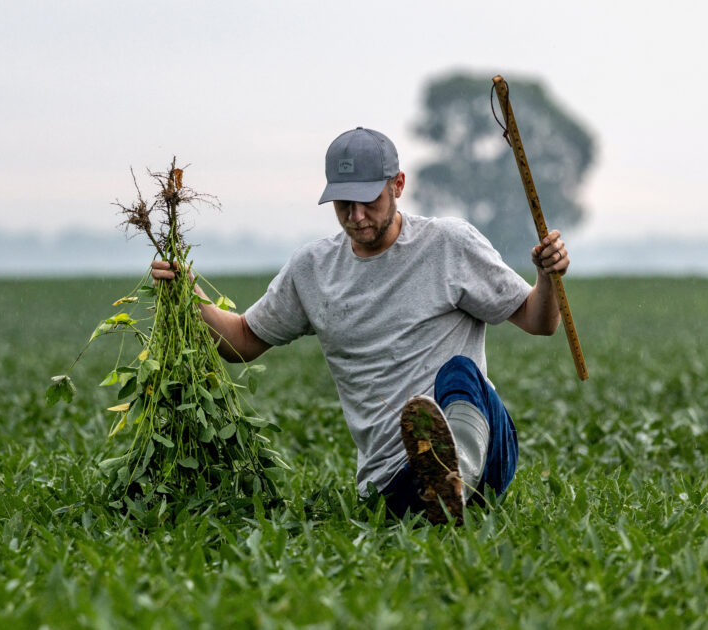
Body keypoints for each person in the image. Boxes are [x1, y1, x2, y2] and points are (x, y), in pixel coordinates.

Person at [151, 127, 570, 524]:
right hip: (393, 476)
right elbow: (241, 341)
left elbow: (539, 320)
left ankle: (454, 478)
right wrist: (189, 295)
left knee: (459, 372)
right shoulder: (312, 270)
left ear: (398, 185)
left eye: (369, 200)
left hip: (489, 449)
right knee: (406, 492)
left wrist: (548, 277)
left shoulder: (449, 245)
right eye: (343, 205)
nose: (356, 216)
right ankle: (437, 488)